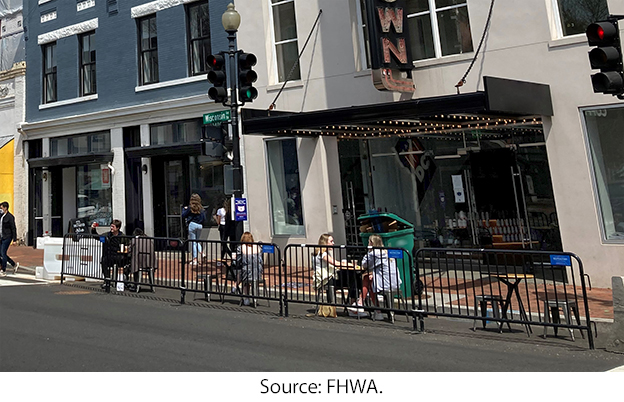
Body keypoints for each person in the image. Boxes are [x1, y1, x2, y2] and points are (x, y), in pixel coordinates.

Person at [312, 234, 365, 317]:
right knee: (353, 276)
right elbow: (336, 263)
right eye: (331, 241)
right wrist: (349, 265)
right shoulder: (323, 254)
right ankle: (354, 303)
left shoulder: (321, 253)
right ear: (325, 242)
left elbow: (335, 263)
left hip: (327, 276)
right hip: (326, 278)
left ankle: (355, 303)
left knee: (353, 276)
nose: (333, 243)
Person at [359, 234, 402, 321]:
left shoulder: (374, 253)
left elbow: (365, 264)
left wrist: (369, 251)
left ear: (371, 243)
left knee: (368, 280)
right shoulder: (386, 251)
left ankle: (366, 305)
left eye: (369, 242)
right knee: (369, 278)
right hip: (396, 282)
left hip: (385, 283)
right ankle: (365, 304)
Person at [91, 219, 126, 288]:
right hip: (108, 255)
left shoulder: (122, 236)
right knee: (104, 261)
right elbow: (97, 237)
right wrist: (93, 230)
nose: (111, 228)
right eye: (111, 226)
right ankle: (107, 280)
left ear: (118, 228)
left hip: (118, 255)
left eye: (113, 227)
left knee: (123, 261)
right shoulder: (107, 235)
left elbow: (127, 244)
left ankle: (121, 281)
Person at [235, 232, 263, 307]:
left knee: (242, 274)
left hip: (247, 272)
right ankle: (255, 298)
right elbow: (261, 260)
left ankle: (245, 296)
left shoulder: (241, 247)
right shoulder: (257, 247)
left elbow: (238, 260)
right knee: (252, 278)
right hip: (258, 271)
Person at [128, 228, 157, 292]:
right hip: (150, 262)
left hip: (138, 262)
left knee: (133, 265)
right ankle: (152, 286)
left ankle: (136, 285)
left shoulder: (134, 240)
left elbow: (129, 250)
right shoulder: (149, 240)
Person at [182, 193, 206, 266]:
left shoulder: (190, 208)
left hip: (192, 224)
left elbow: (183, 215)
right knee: (197, 241)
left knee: (193, 242)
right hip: (199, 225)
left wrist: (184, 209)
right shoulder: (201, 209)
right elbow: (204, 218)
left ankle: (195, 259)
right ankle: (202, 252)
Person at [0, 201, 18, 276]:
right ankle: (13, 264)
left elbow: (13, 228)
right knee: (1, 253)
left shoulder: (10, 217)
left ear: (5, 208)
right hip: (1, 236)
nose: (0, 210)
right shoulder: (1, 216)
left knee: (3, 252)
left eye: (1, 208)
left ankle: (3, 270)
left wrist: (14, 239)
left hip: (7, 237)